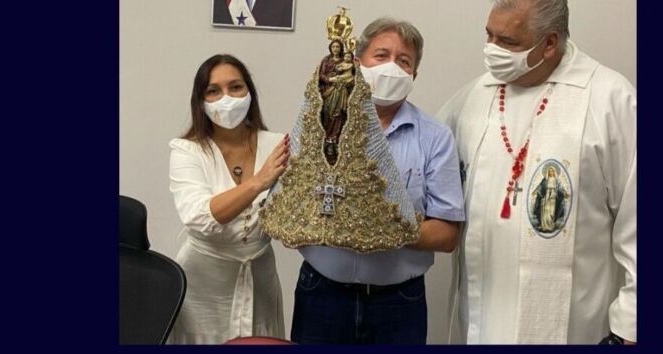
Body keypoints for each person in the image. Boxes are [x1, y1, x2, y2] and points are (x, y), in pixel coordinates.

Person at [438, 0, 636, 344]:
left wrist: (631, 323)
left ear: (549, 43)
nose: (492, 50)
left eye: (508, 42)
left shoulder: (609, 99)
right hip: (481, 316)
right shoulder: (473, 97)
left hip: (573, 326)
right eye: (489, 36)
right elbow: (423, 162)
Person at [290, 18, 466, 344]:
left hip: (399, 304)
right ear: (357, 63)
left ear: (414, 75)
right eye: (381, 56)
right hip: (322, 296)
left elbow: (446, 234)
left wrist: (380, 228)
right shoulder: (318, 124)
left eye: (403, 61)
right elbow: (293, 199)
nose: (392, 68)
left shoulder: (435, 137)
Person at [168, 54, 290, 344]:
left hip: (260, 279)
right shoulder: (187, 150)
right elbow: (199, 218)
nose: (227, 98)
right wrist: (259, 181)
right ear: (201, 101)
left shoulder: (278, 145)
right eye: (214, 90)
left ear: (250, 92)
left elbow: (292, 210)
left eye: (236, 87)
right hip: (203, 283)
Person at [318, 41, 355, 163]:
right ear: (330, 48)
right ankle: (327, 140)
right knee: (328, 114)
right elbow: (321, 75)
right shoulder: (326, 60)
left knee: (339, 115)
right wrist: (330, 79)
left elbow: (353, 76)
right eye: (333, 46)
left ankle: (335, 141)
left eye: (337, 46)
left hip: (342, 92)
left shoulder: (346, 60)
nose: (335, 49)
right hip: (329, 92)